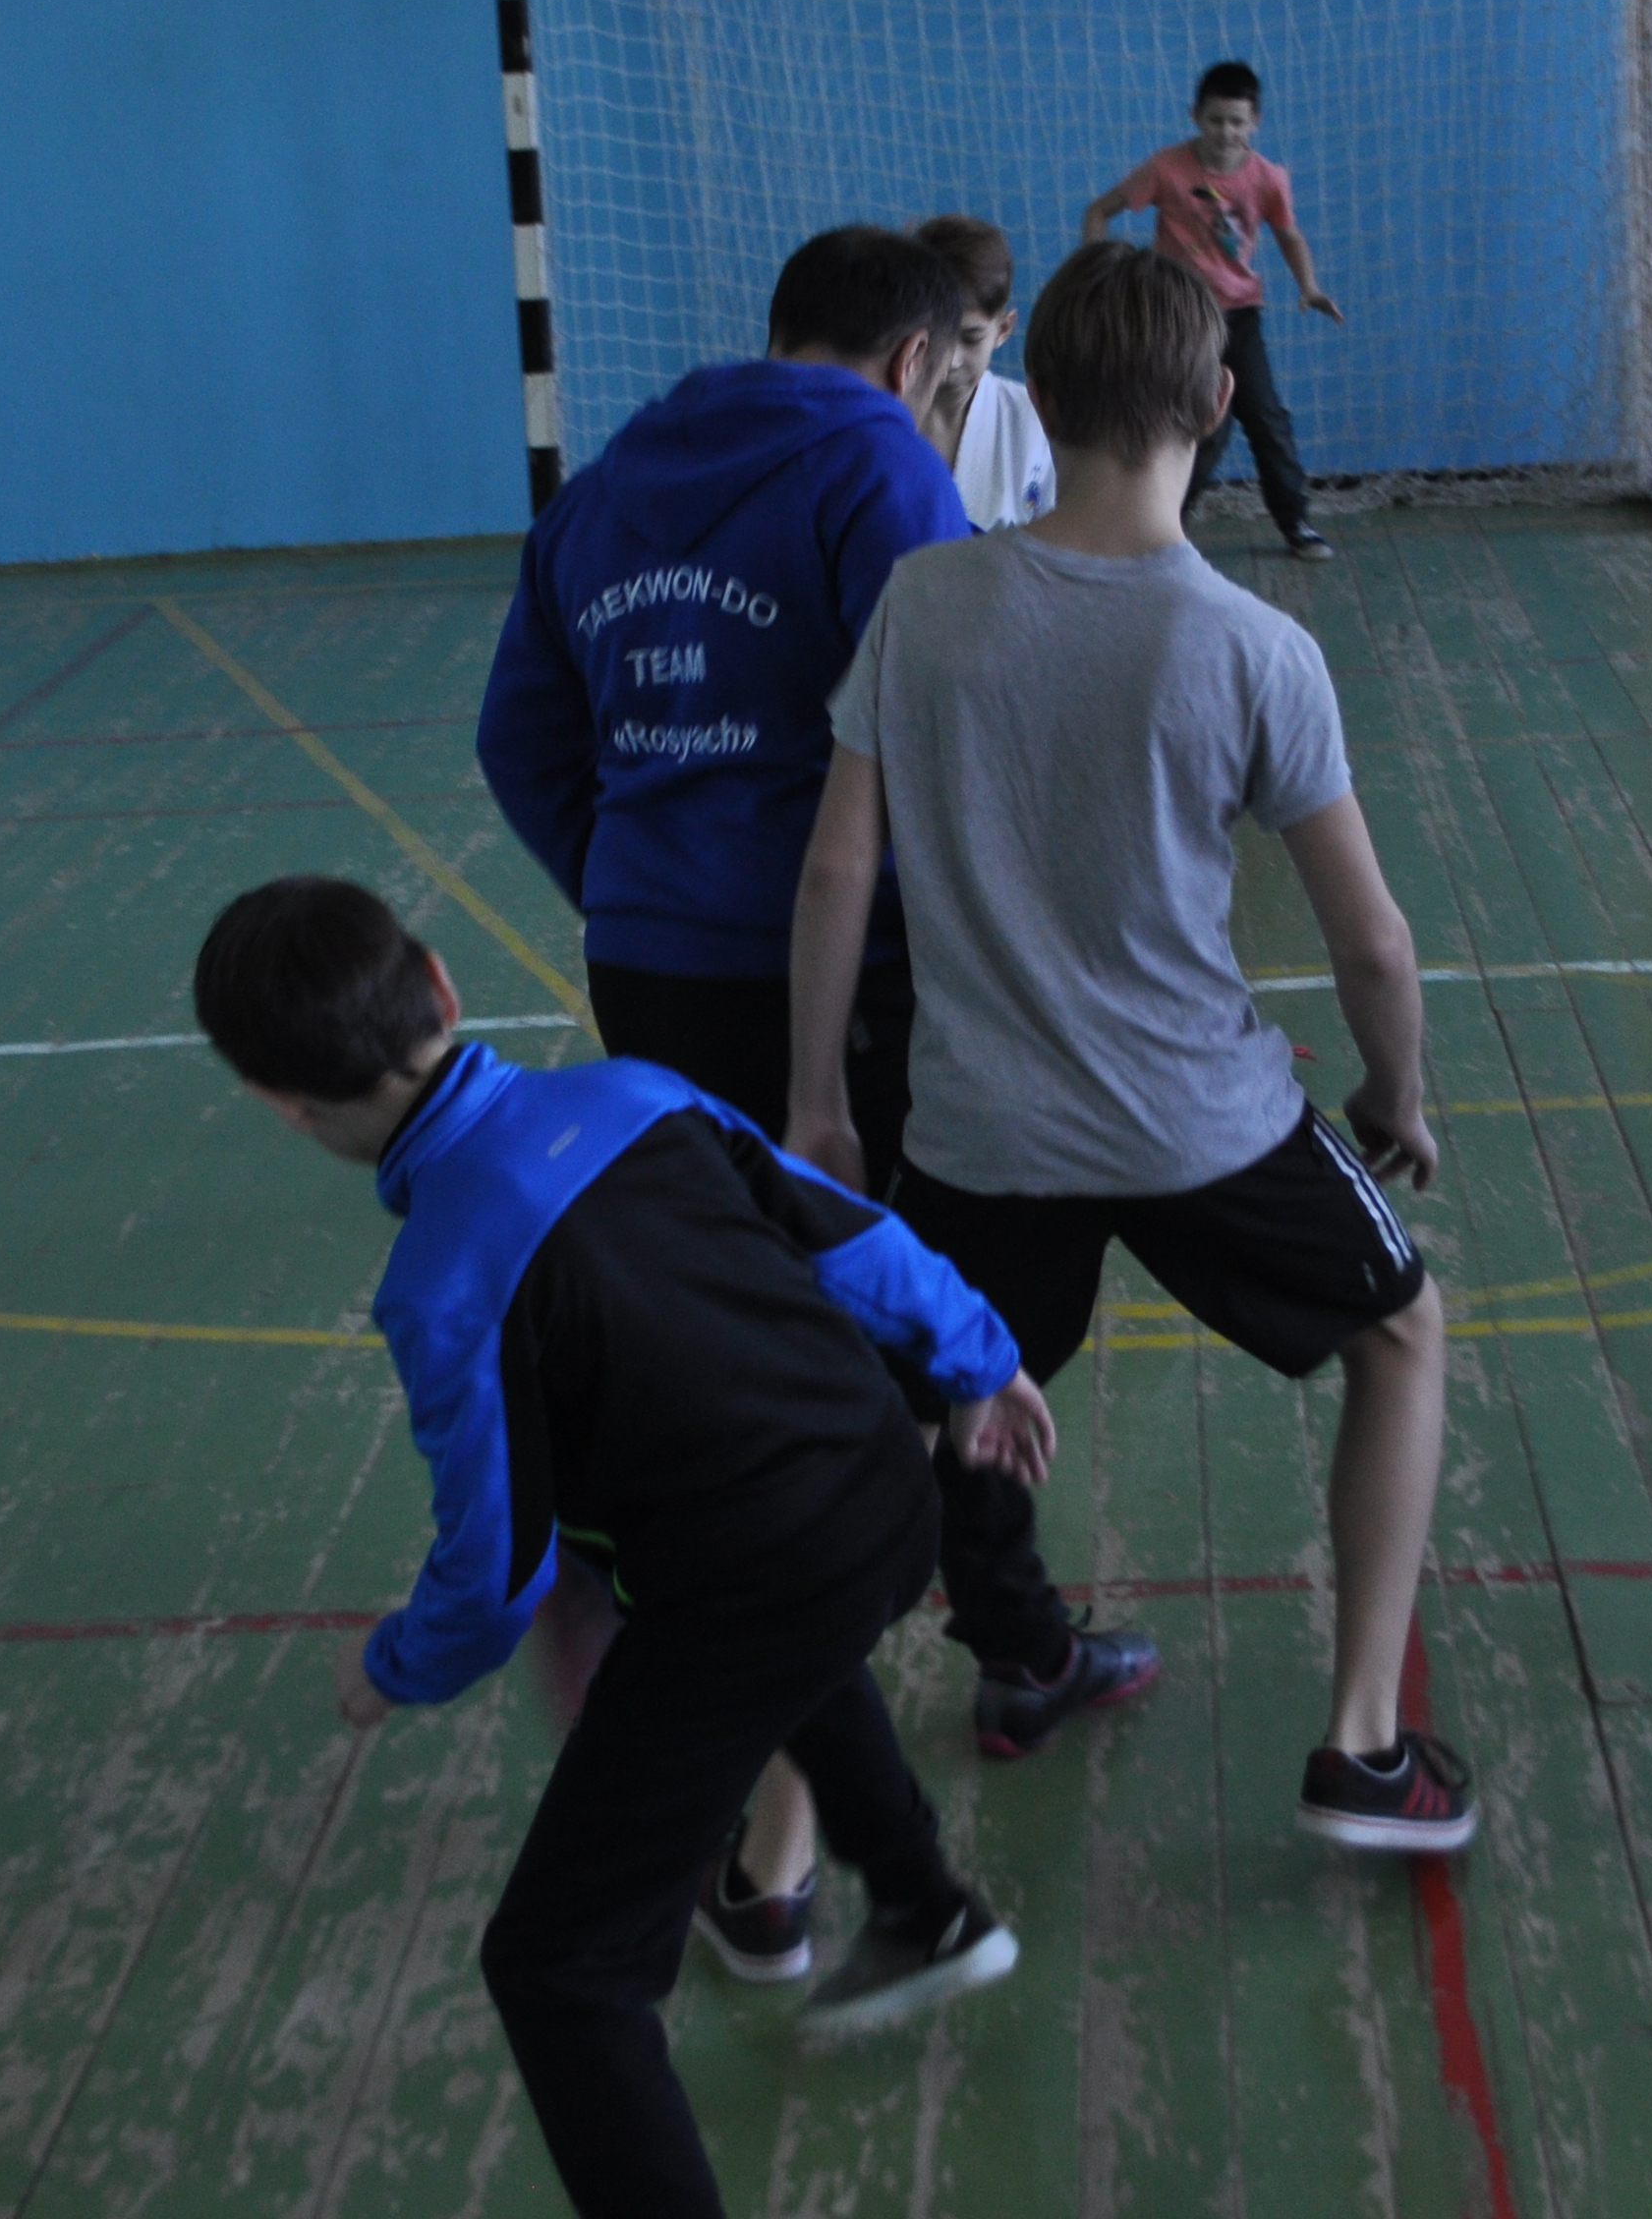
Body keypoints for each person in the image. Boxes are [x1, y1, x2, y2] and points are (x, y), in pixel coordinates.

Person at [476, 224, 1156, 1978]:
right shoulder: (871, 461)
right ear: (924, 359)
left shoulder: (607, 482)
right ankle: (828, 1800)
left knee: (781, 1336)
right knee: (909, 1326)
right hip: (842, 974)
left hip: (651, 969)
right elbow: (961, 704)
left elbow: (517, 741)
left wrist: (636, 880)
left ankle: (994, 1650)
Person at [195, 876, 1045, 2219]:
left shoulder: (442, 1283)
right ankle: (922, 1905)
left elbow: (496, 1570)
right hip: (887, 1497)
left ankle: (907, 1908)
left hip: (751, 1584)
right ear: (441, 984)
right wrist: (981, 1359)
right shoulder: (637, 1094)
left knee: (559, 1967)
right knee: (794, 1634)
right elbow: (852, 1239)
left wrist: (396, 1667)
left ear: (282, 1104)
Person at [787, 241, 1478, 1848]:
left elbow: (834, 871)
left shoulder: (924, 601)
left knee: (954, 1393)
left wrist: (818, 1098)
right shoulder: (1250, 645)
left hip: (977, 1133)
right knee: (1399, 1334)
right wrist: (1395, 1092)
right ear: (1218, 403)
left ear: (1038, 400)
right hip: (1199, 1122)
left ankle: (850, 1772)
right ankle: (1363, 1746)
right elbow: (1373, 942)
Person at [1080, 59, 1341, 562]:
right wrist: (1093, 275)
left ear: (1255, 122)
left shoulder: (1267, 178)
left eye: (1237, 121)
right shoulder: (1167, 168)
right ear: (1196, 116)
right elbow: (1099, 211)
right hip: (1181, 317)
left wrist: (1308, 287)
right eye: (1216, 120)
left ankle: (1296, 522)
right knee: (1201, 429)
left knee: (1267, 419)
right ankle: (1163, 527)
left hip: (1240, 316)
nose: (1226, 132)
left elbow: (1289, 235)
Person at [909, 213, 1057, 531]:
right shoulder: (874, 416)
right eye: (935, 338)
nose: (951, 360)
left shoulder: (1035, 421)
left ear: (1003, 329)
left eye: (971, 338)